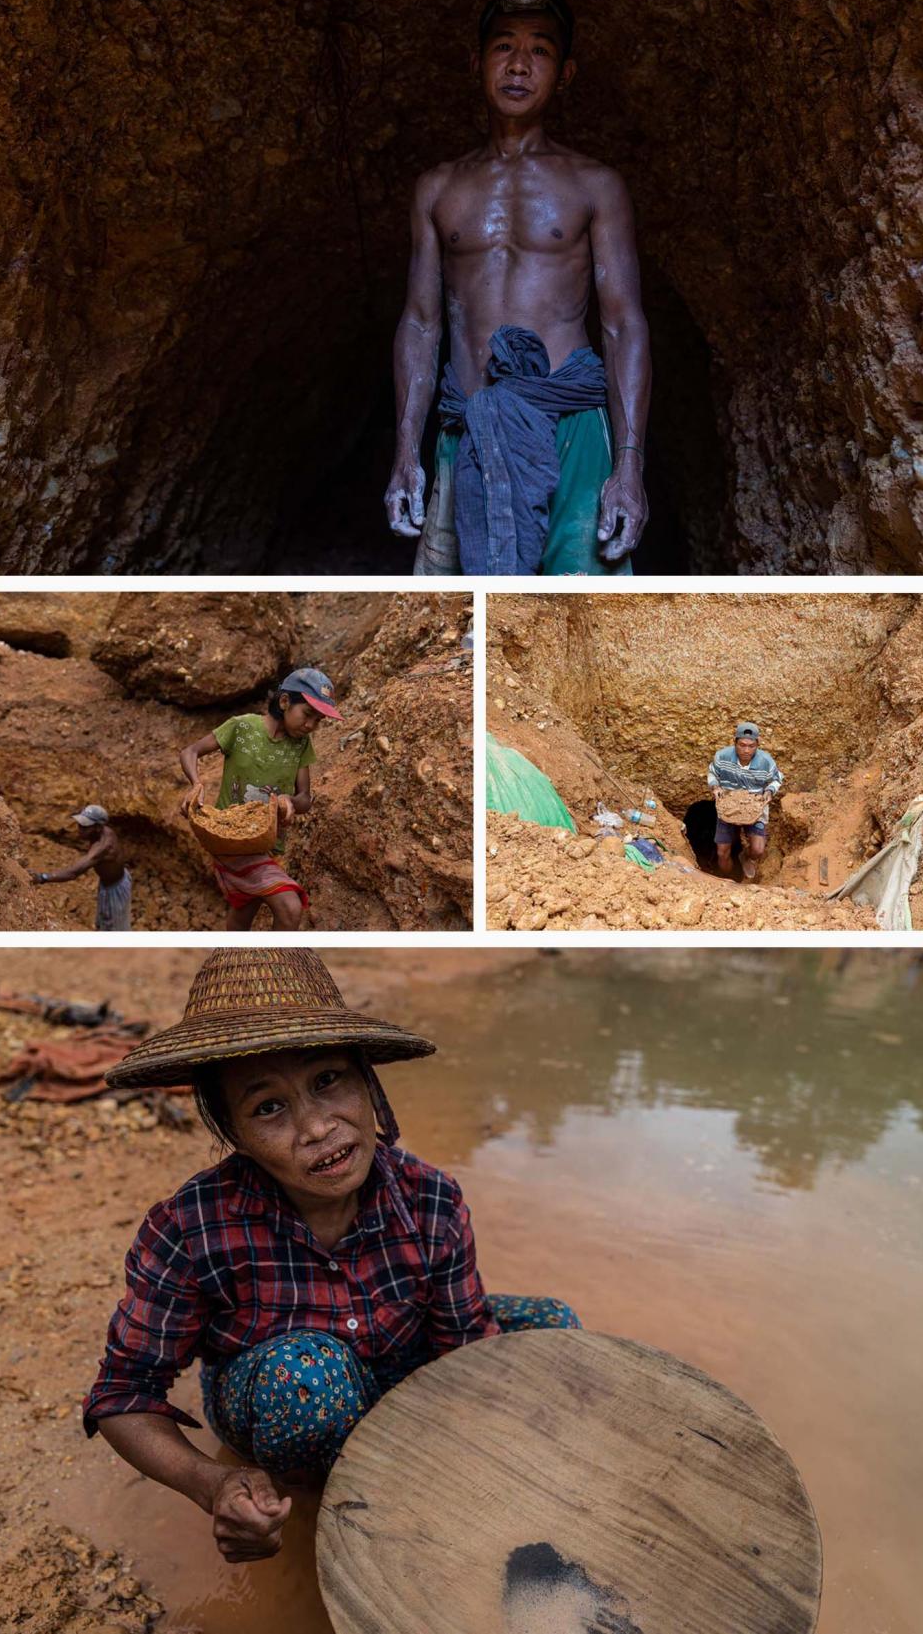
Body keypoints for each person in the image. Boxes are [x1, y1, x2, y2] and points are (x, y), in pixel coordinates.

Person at [83, 948, 579, 1565]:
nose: (317, 1128)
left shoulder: (432, 1199)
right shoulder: (191, 1228)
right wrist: (212, 1484)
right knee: (308, 1378)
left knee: (554, 1329)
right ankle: (337, 1504)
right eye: (269, 1108)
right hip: (281, 1388)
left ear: (368, 1083)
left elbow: (463, 1346)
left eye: (328, 1082)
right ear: (234, 1135)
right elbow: (123, 1396)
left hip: (403, 1360)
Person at [385, 0, 651, 577]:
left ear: (566, 75)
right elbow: (422, 323)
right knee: (460, 613)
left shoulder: (594, 185)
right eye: (503, 47)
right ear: (474, 64)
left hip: (573, 427)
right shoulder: (439, 188)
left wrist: (629, 467)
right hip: (470, 427)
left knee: (582, 613)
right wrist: (406, 452)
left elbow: (623, 327)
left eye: (539, 51)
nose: (518, 66)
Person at [179, 668, 340, 932]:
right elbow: (191, 751)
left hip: (264, 841)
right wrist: (196, 784)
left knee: (245, 909)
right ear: (285, 701)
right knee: (289, 906)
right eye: (308, 714)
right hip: (229, 838)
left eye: (319, 720)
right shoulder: (242, 727)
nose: (311, 725)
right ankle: (277, 971)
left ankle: (232, 967)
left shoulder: (301, 745)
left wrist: (289, 800)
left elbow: (305, 798)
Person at [29, 804, 132, 930]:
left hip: (115, 889)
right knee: (104, 922)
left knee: (116, 930)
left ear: (98, 827)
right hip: (110, 882)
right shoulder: (102, 831)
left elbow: (73, 873)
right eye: (80, 824)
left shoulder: (102, 847)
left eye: (85, 826)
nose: (80, 829)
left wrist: (42, 877)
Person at [708, 722, 784, 881]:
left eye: (751, 746)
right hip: (729, 806)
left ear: (757, 745)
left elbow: (776, 779)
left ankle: (745, 857)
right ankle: (726, 880)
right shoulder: (722, 757)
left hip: (754, 808)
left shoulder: (766, 761)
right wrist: (715, 787)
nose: (746, 750)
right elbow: (713, 773)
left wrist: (770, 791)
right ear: (734, 742)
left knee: (758, 849)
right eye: (742, 745)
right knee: (722, 852)